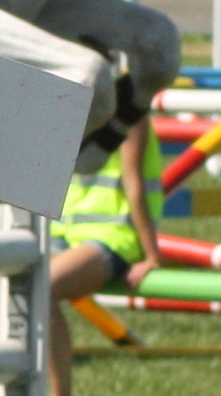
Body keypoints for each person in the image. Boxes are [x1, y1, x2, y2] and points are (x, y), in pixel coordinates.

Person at [45, 117, 163, 396]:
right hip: (65, 229)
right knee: (17, 277)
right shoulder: (71, 108)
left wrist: (151, 255)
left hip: (114, 234)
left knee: (42, 286)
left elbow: (134, 185)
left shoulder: (129, 115)